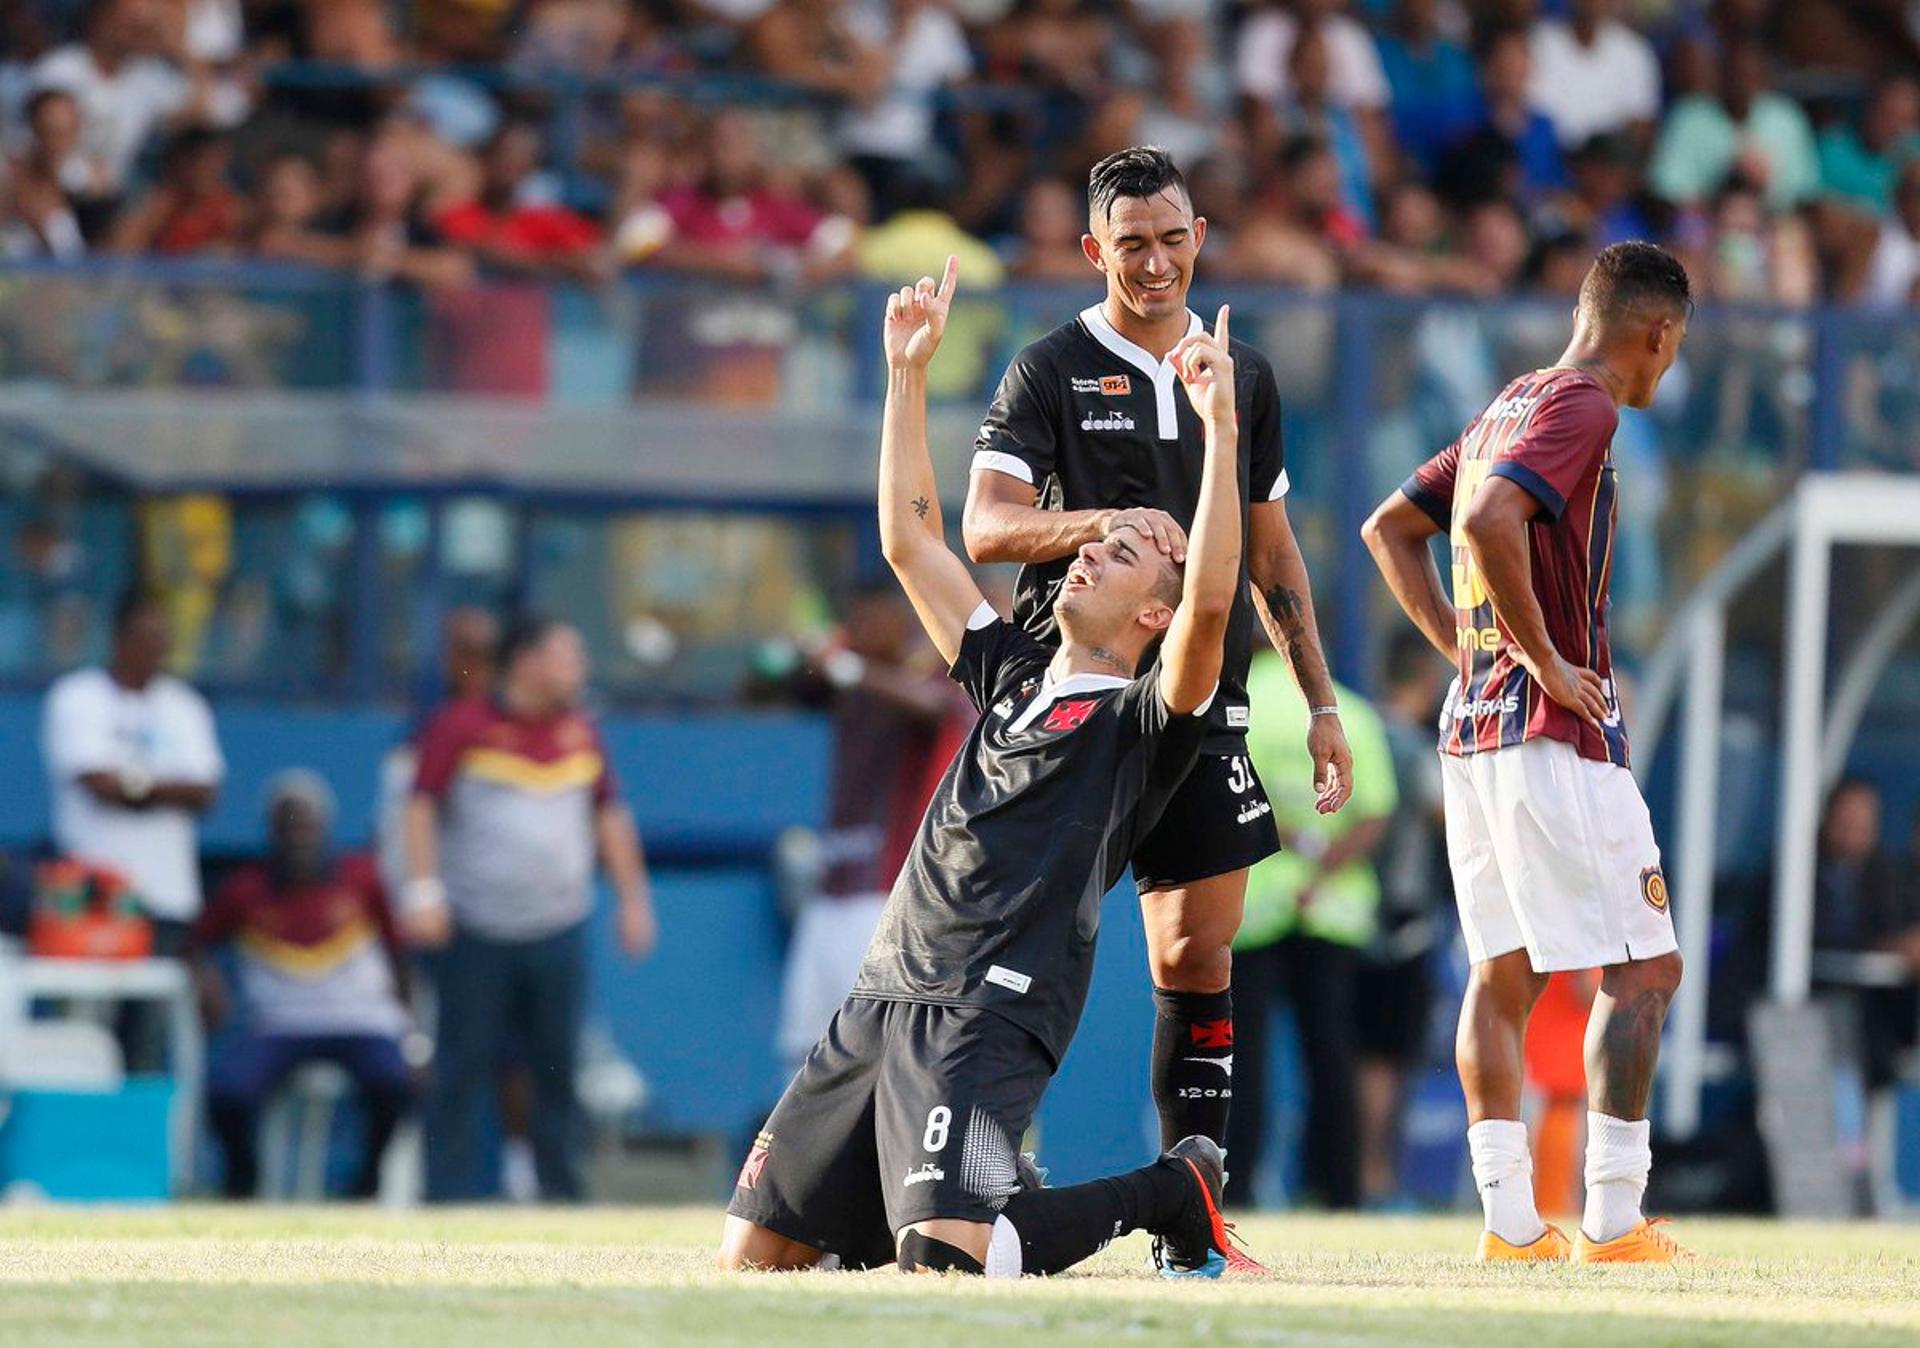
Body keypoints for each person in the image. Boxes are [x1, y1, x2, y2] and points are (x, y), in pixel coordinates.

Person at [720, 257, 1256, 1279]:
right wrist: (907, 379)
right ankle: (988, 1188)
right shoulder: (1009, 669)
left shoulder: (1149, 715)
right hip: (885, 986)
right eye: (1099, 534)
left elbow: (1216, 603)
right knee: (754, 1261)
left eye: (1130, 547)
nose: (1094, 547)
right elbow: (910, 541)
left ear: (1156, 612)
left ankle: (1168, 1190)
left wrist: (1221, 430)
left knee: (945, 1268)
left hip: (994, 1004)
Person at [962, 145, 1353, 1182]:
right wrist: (1109, 519)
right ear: (1095, 249)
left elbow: (1272, 551)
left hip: (1199, 699)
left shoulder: (1245, 376)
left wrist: (1319, 701)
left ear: (1200, 241)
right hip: (1082, 696)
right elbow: (986, 527)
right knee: (1023, 946)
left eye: (1172, 239)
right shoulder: (1049, 367)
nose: (1154, 263)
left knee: (1197, 952)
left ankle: (1199, 1200)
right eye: (1131, 243)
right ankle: (982, 1171)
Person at [1361, 241, 1696, 1262]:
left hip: (1475, 732)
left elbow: (1391, 529)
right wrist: (1543, 658)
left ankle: (1510, 1225)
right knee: (1647, 968)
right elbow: (1487, 514)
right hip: (1554, 733)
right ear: (1658, 333)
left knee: (1501, 975)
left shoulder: (1511, 400)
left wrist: (1474, 655)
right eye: (1673, 349)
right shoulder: (1586, 404)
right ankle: (1612, 1215)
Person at [402, 616, 657, 1202]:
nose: (579, 669)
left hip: (558, 927)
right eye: (568, 655)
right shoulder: (461, 726)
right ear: (527, 661)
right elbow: (418, 809)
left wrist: (633, 900)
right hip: (473, 928)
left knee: (557, 1069)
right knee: (461, 1068)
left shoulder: (582, 733)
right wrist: (423, 893)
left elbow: (609, 817)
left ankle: (560, 1195)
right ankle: (448, 1198)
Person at [192, 770, 418, 1199]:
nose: (299, 836)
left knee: (394, 1082)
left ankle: (366, 1183)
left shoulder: (362, 880)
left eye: (307, 825)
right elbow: (195, 945)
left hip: (360, 1023)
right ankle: (243, 1184)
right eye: (288, 825)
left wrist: (412, 1035)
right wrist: (207, 980)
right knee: (227, 1091)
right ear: (271, 831)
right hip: (278, 1026)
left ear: (326, 828)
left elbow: (400, 957)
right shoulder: (245, 890)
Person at [1224, 664, 1395, 1210]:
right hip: (1332, 910)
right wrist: (1322, 871)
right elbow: (1374, 813)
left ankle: (1241, 1186)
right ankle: (1341, 1191)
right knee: (1331, 1056)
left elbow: (1236, 799)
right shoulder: (1353, 712)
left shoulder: (1244, 703)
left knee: (1243, 1059)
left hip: (1257, 906)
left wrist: (1288, 843)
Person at [41, 593, 222, 959]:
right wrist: (162, 788)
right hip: (93, 898)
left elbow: (204, 793)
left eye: (162, 641)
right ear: (119, 640)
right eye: (145, 640)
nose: (155, 651)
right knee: (88, 1013)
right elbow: (98, 785)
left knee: (154, 1012)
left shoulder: (185, 706)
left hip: (168, 897)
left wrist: (132, 787)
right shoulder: (77, 697)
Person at [1357, 629, 1451, 1207]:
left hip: (1352, 914)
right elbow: (1448, 818)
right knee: (1387, 1060)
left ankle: (1359, 1171)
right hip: (1402, 919)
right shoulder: (1414, 749)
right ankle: (1376, 1177)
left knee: (1358, 1055)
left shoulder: (1358, 734)